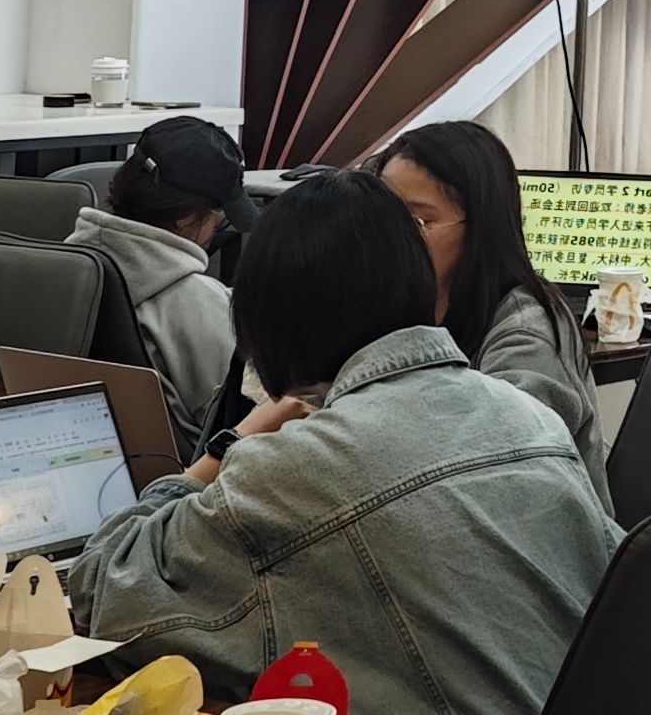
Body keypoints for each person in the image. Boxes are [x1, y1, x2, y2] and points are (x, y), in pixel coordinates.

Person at [70, 170, 621, 713]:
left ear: (272, 317)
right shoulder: (528, 418)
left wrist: (228, 445)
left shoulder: (300, 467)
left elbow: (104, 589)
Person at [369, 122, 613, 514]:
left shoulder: (528, 331)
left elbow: (503, 472)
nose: (390, 238)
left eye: (417, 222)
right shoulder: (404, 304)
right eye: (383, 218)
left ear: (481, 229)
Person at [65, 117, 256, 459]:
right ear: (187, 218)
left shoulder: (63, 268)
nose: (216, 228)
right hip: (191, 474)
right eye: (217, 215)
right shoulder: (195, 302)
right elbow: (238, 415)